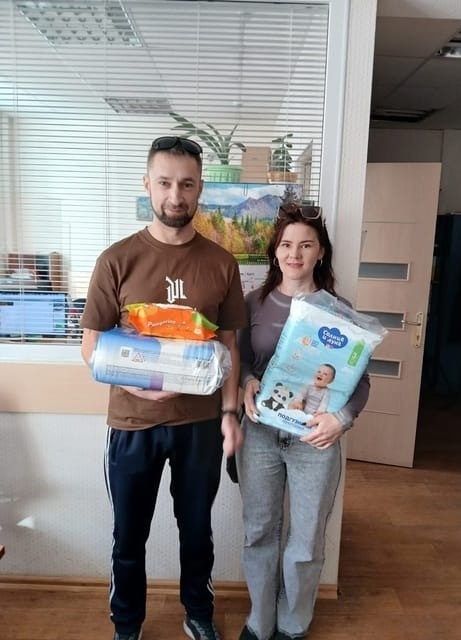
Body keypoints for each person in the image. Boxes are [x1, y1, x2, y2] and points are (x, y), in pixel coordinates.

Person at [80, 136, 247, 640]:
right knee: (128, 536)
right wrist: (143, 386)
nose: (176, 195)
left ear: (200, 189)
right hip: (132, 424)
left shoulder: (221, 263)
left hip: (199, 425)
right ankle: (127, 624)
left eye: (187, 184)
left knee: (197, 532)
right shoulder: (117, 260)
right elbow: (91, 346)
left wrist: (230, 414)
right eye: (166, 182)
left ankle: (198, 614)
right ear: (148, 184)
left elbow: (229, 346)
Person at [236, 203, 370, 640]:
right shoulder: (254, 303)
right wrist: (247, 381)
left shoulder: (340, 311)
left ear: (321, 252)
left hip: (315, 440)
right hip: (260, 433)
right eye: (286, 244)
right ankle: (260, 621)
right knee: (259, 531)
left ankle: (293, 624)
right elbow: (241, 361)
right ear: (275, 251)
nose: (294, 254)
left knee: (307, 538)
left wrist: (342, 419)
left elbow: (361, 382)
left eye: (306, 245)